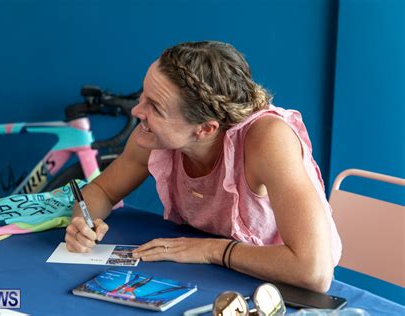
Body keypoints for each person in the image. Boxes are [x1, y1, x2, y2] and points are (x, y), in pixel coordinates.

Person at [64, 41, 342, 293]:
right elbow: (101, 190)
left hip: (277, 286)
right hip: (209, 271)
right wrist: (82, 223)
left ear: (206, 129)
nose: (137, 111)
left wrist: (211, 250)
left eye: (155, 107)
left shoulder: (268, 139)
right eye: (143, 95)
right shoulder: (150, 135)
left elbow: (313, 270)